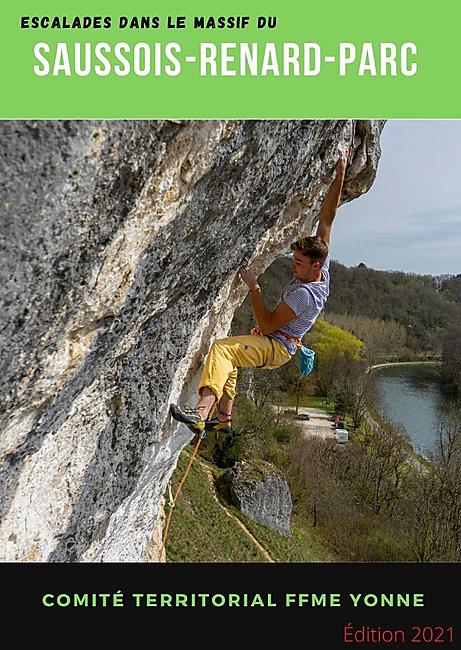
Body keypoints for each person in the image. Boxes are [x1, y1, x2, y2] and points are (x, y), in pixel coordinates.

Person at [170, 153, 347, 434]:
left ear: (314, 265)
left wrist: (254, 287)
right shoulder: (321, 267)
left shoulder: (304, 295)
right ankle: (224, 418)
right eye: (294, 259)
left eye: (298, 263)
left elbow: (266, 324)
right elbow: (327, 220)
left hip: (278, 348)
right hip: (279, 341)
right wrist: (339, 177)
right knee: (232, 357)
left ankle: (201, 413)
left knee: (223, 349)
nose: (293, 266)